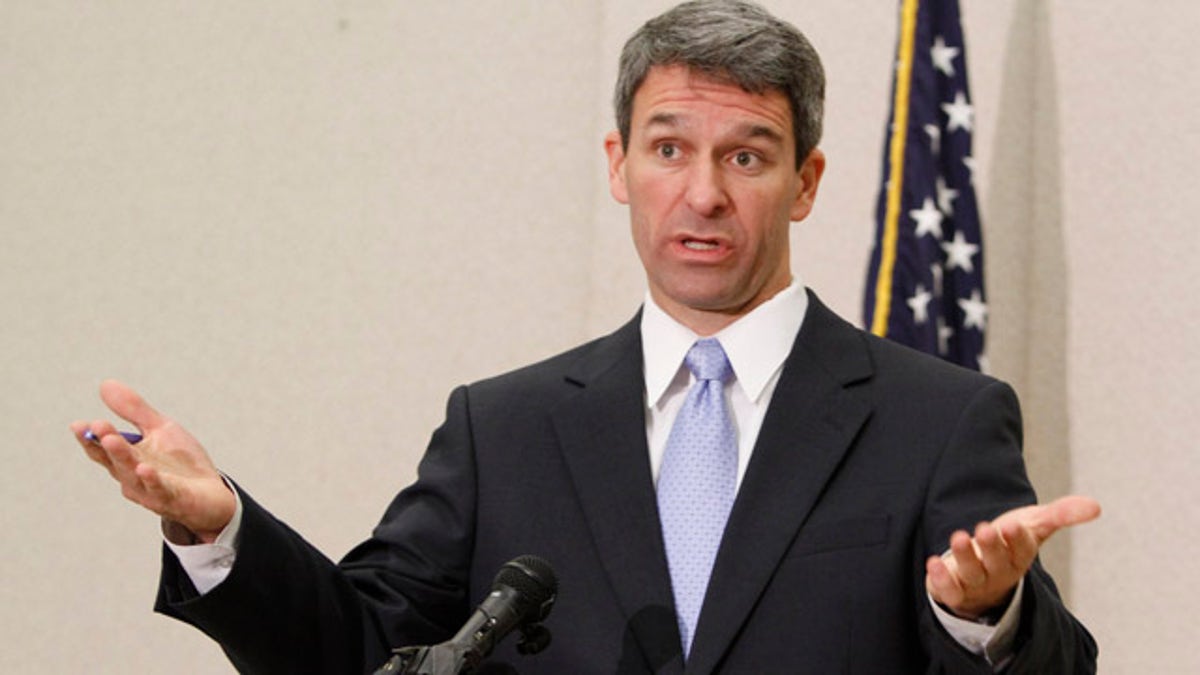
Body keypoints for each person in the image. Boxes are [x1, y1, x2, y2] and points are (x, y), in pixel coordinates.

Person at [73, 1, 1099, 673]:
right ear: (620, 165)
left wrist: (985, 617)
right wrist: (220, 532)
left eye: (747, 156)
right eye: (669, 149)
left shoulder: (938, 417)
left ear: (807, 183)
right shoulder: (503, 428)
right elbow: (360, 648)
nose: (702, 194)